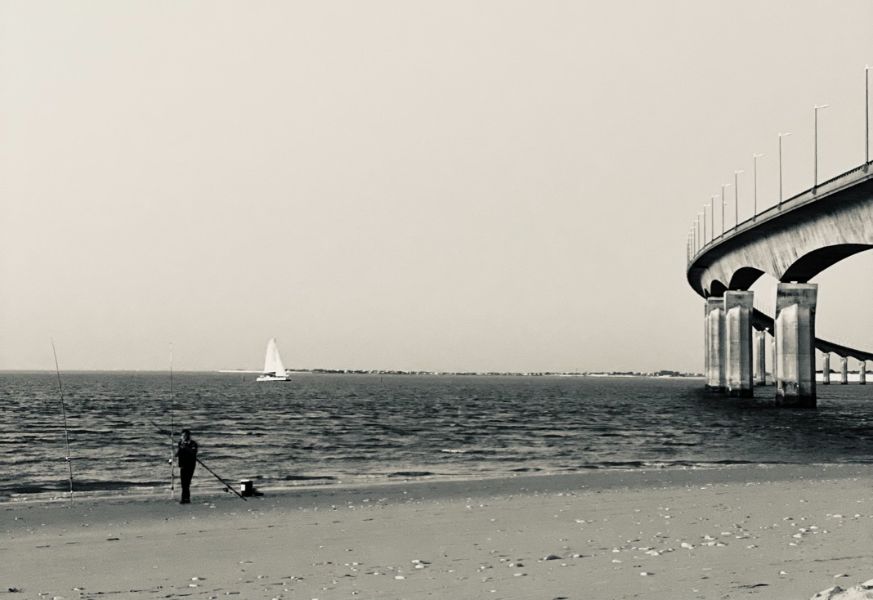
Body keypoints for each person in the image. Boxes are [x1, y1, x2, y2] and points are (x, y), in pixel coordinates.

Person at [174, 429, 198, 504]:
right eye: (182, 436)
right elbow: (178, 453)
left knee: (186, 483)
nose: (183, 437)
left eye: (185, 435)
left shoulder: (193, 443)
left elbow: (193, 452)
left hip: (190, 465)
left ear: (188, 436)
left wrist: (186, 447)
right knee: (183, 483)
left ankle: (185, 499)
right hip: (182, 465)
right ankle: (185, 498)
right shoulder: (180, 443)